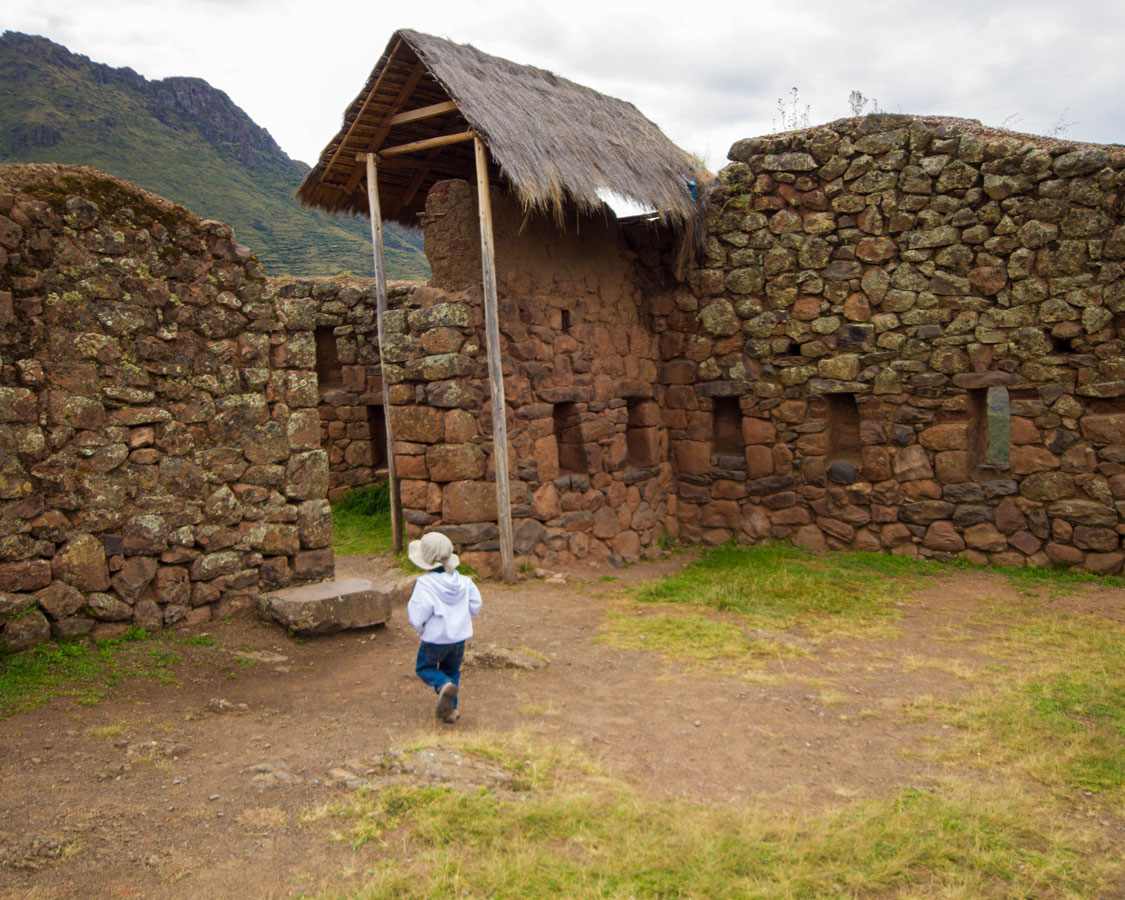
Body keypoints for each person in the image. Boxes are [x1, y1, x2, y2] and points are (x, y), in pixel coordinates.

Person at [406, 532, 482, 723]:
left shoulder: (425, 584)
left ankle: (443, 684)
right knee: (452, 671)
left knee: (424, 667)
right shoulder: (464, 582)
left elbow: (418, 613)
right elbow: (476, 605)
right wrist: (463, 618)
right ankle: (451, 710)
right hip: (459, 639)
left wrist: (420, 628)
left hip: (435, 639)